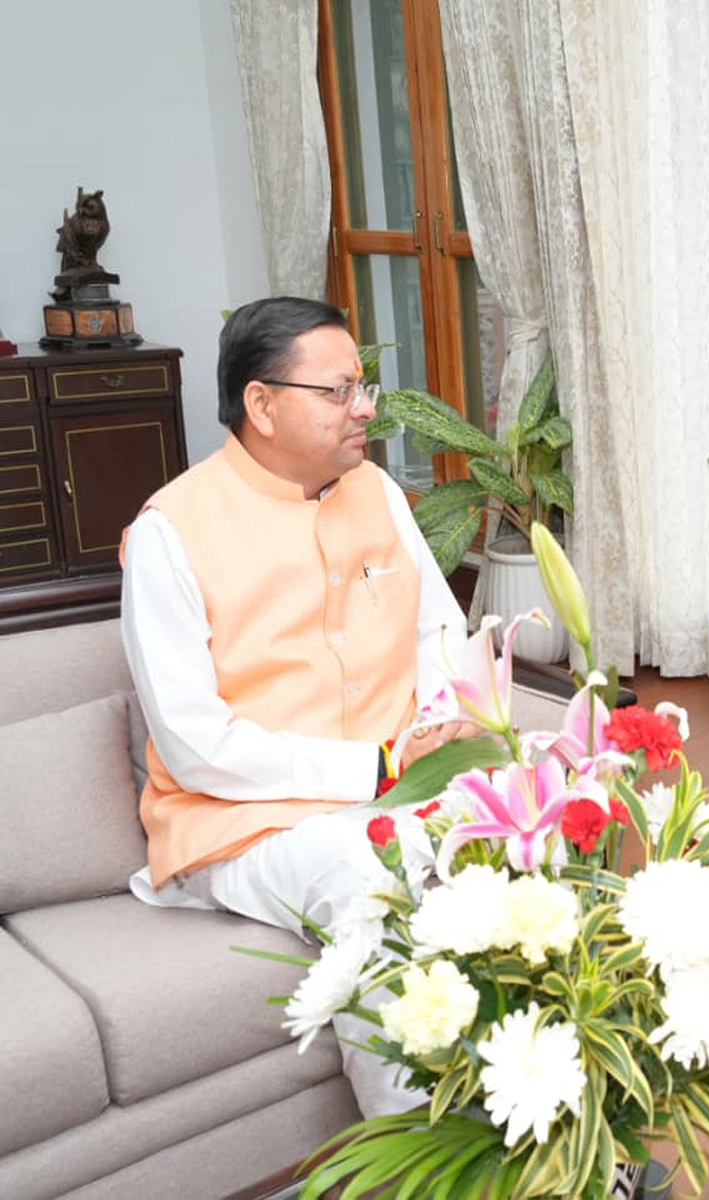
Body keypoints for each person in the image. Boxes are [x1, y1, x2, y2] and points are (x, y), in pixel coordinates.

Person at [120, 297, 469, 1116]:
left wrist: (446, 724)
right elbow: (197, 741)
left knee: (542, 824)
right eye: (339, 390)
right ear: (261, 404)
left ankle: (573, 1137)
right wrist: (379, 767)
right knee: (369, 877)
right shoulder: (171, 532)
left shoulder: (375, 490)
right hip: (247, 820)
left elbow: (439, 632)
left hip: (399, 785)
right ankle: (422, 1162)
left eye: (365, 385)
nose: (367, 408)